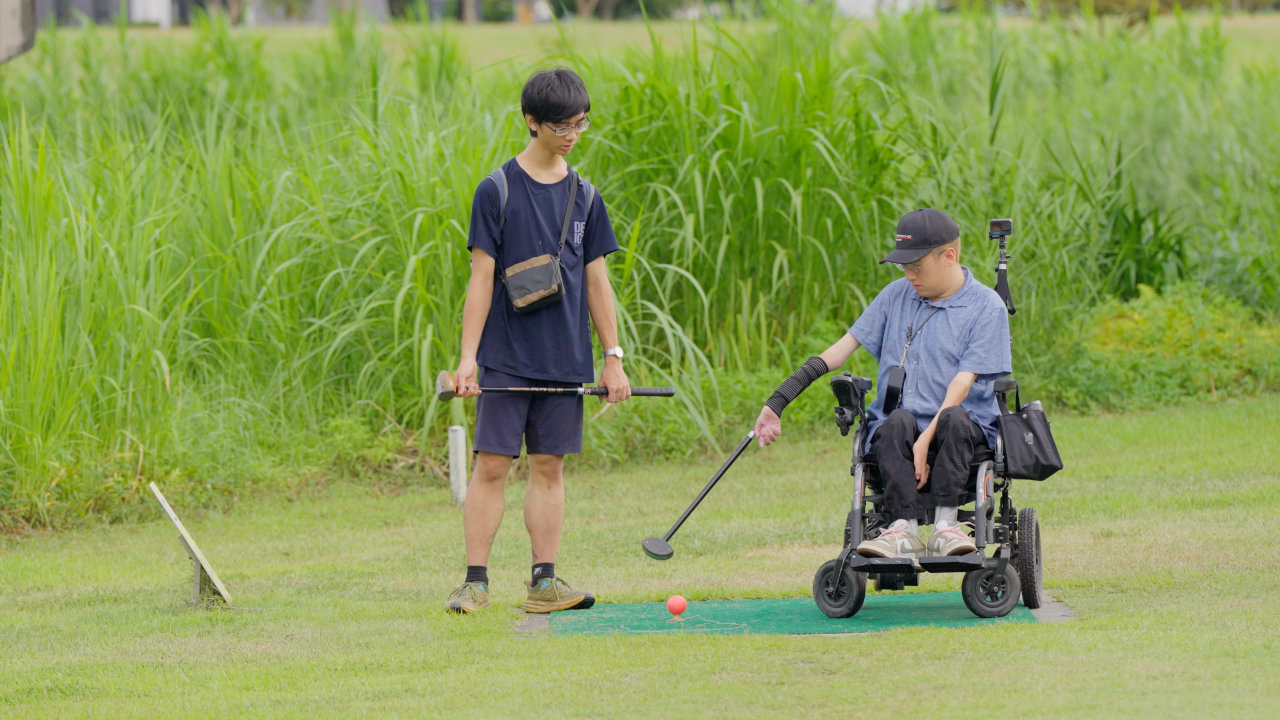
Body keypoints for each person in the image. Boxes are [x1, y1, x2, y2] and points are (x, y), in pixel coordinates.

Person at [445, 68, 631, 614]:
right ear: (531, 122)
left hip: (564, 358)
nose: (572, 134)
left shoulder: (587, 195)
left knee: (550, 467)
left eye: (580, 123)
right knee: (493, 465)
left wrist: (612, 358)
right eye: (561, 125)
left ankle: (544, 583)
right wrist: (468, 361)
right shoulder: (496, 190)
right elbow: (480, 280)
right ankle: (475, 583)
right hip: (504, 358)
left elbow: (598, 281)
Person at [753, 208, 1011, 563]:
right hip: (899, 437)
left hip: (960, 438)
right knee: (895, 420)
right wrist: (777, 401)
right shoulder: (895, 296)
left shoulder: (986, 307)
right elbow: (837, 353)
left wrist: (926, 439)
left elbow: (962, 385)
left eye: (916, 266)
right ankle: (901, 528)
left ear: (949, 256)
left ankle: (946, 528)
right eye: (903, 267)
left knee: (953, 417)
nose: (908, 276)